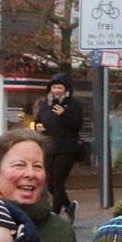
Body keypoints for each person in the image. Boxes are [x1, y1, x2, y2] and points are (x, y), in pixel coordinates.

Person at [33, 72, 85, 222]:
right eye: (54, 87)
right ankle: (69, 206)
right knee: (49, 183)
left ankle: (54, 215)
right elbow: (38, 121)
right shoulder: (45, 105)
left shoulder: (74, 105)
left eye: (59, 87)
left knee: (58, 182)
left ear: (66, 89)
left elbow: (78, 124)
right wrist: (38, 127)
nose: (56, 90)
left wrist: (64, 114)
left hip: (67, 149)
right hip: (49, 147)